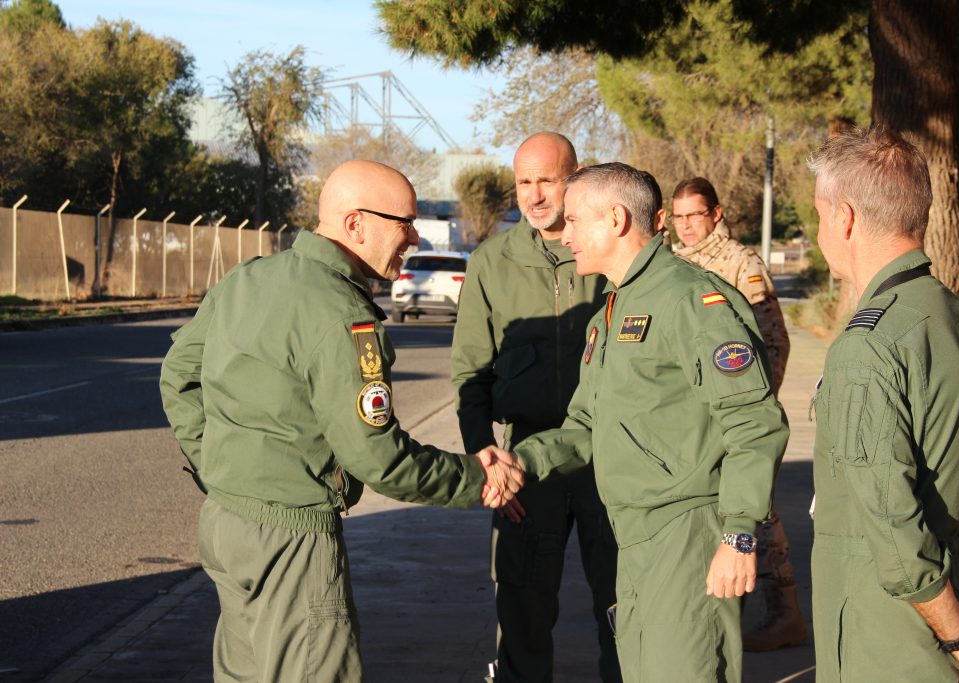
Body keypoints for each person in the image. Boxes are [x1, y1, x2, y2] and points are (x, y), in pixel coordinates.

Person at [159, 160, 524, 683]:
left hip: (226, 523)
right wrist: (477, 478)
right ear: (356, 224)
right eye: (405, 223)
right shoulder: (340, 311)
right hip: (292, 540)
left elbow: (177, 376)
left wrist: (218, 466)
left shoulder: (250, 278)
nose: (415, 237)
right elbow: (377, 456)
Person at [511, 162, 790, 682]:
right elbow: (585, 427)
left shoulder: (691, 300)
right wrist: (517, 462)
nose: (563, 233)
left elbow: (754, 421)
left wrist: (739, 535)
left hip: (688, 533)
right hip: (635, 535)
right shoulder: (611, 312)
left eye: (573, 220)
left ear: (615, 219)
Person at [806, 126, 959, 682]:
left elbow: (890, 522)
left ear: (846, 218)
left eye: (820, 216)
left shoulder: (867, 346)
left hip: (888, 637)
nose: (819, 232)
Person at [451, 132, 621, 682]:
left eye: (547, 179)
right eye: (524, 182)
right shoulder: (490, 263)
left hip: (610, 458)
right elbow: (469, 375)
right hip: (527, 461)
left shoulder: (609, 255)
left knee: (625, 606)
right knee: (522, 605)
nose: (535, 194)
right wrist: (486, 456)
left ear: (575, 177)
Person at [671, 177, 804, 652]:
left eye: (696, 215)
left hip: (734, 415)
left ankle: (784, 613)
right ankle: (729, 612)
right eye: (679, 216)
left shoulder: (740, 264)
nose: (687, 225)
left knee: (754, 511)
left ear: (716, 213)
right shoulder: (671, 264)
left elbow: (772, 342)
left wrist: (752, 411)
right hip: (692, 417)